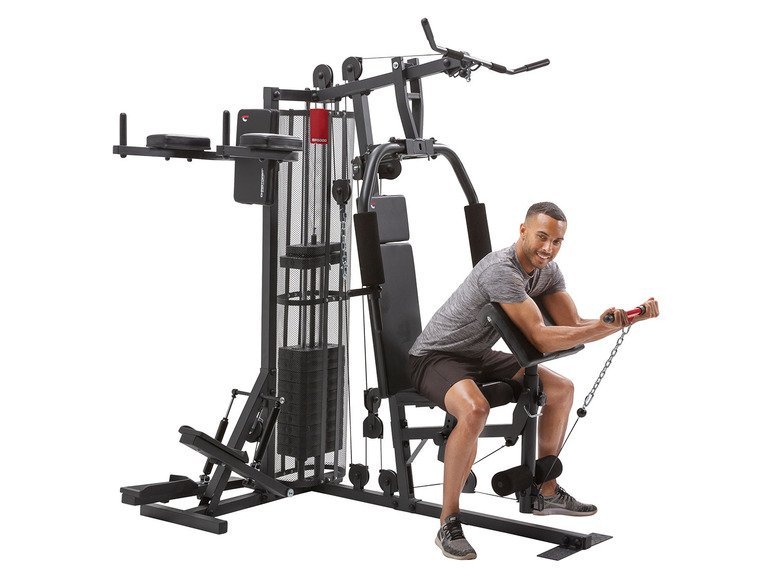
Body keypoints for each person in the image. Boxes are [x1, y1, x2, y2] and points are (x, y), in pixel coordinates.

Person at [407, 201, 659, 560]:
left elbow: (572, 325)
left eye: (556, 241)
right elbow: (541, 337)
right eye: (542, 237)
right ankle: (448, 521)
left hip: (478, 355)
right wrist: (604, 327)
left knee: (560, 389)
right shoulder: (501, 270)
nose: (548, 248)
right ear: (523, 231)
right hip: (435, 356)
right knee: (475, 409)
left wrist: (622, 320)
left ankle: (546, 490)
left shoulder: (548, 272)